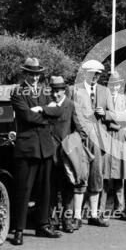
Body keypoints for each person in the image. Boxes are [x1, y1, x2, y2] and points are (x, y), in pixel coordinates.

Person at [10, 58, 63, 245]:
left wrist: (41, 109)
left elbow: (58, 112)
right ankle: (19, 230)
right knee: (24, 190)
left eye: (37, 74)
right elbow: (26, 116)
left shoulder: (45, 90)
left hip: (45, 148)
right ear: (25, 74)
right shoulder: (17, 91)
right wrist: (46, 114)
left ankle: (43, 225)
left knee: (45, 189)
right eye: (31, 74)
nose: (34, 77)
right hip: (27, 148)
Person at [71, 59, 112, 227]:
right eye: (93, 73)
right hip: (80, 138)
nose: (96, 76)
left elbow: (113, 113)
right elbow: (70, 113)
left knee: (96, 176)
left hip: (98, 139)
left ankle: (94, 215)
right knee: (80, 176)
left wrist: (106, 114)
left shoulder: (104, 91)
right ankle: (77, 216)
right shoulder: (74, 90)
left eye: (99, 74)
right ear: (85, 73)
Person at [47, 75, 84, 233]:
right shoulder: (46, 106)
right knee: (51, 190)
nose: (56, 95)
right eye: (53, 91)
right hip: (49, 155)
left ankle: (67, 221)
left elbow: (81, 131)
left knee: (67, 190)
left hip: (66, 157)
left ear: (64, 91)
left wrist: (71, 145)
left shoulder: (71, 106)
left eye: (59, 91)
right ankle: (53, 222)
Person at [99, 71, 126, 221]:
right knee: (105, 176)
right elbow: (99, 116)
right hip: (107, 138)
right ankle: (100, 210)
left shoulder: (125, 99)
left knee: (120, 176)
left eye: (117, 84)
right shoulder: (102, 98)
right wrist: (116, 117)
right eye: (112, 84)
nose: (114, 87)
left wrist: (109, 115)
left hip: (121, 139)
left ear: (120, 85)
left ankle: (120, 209)